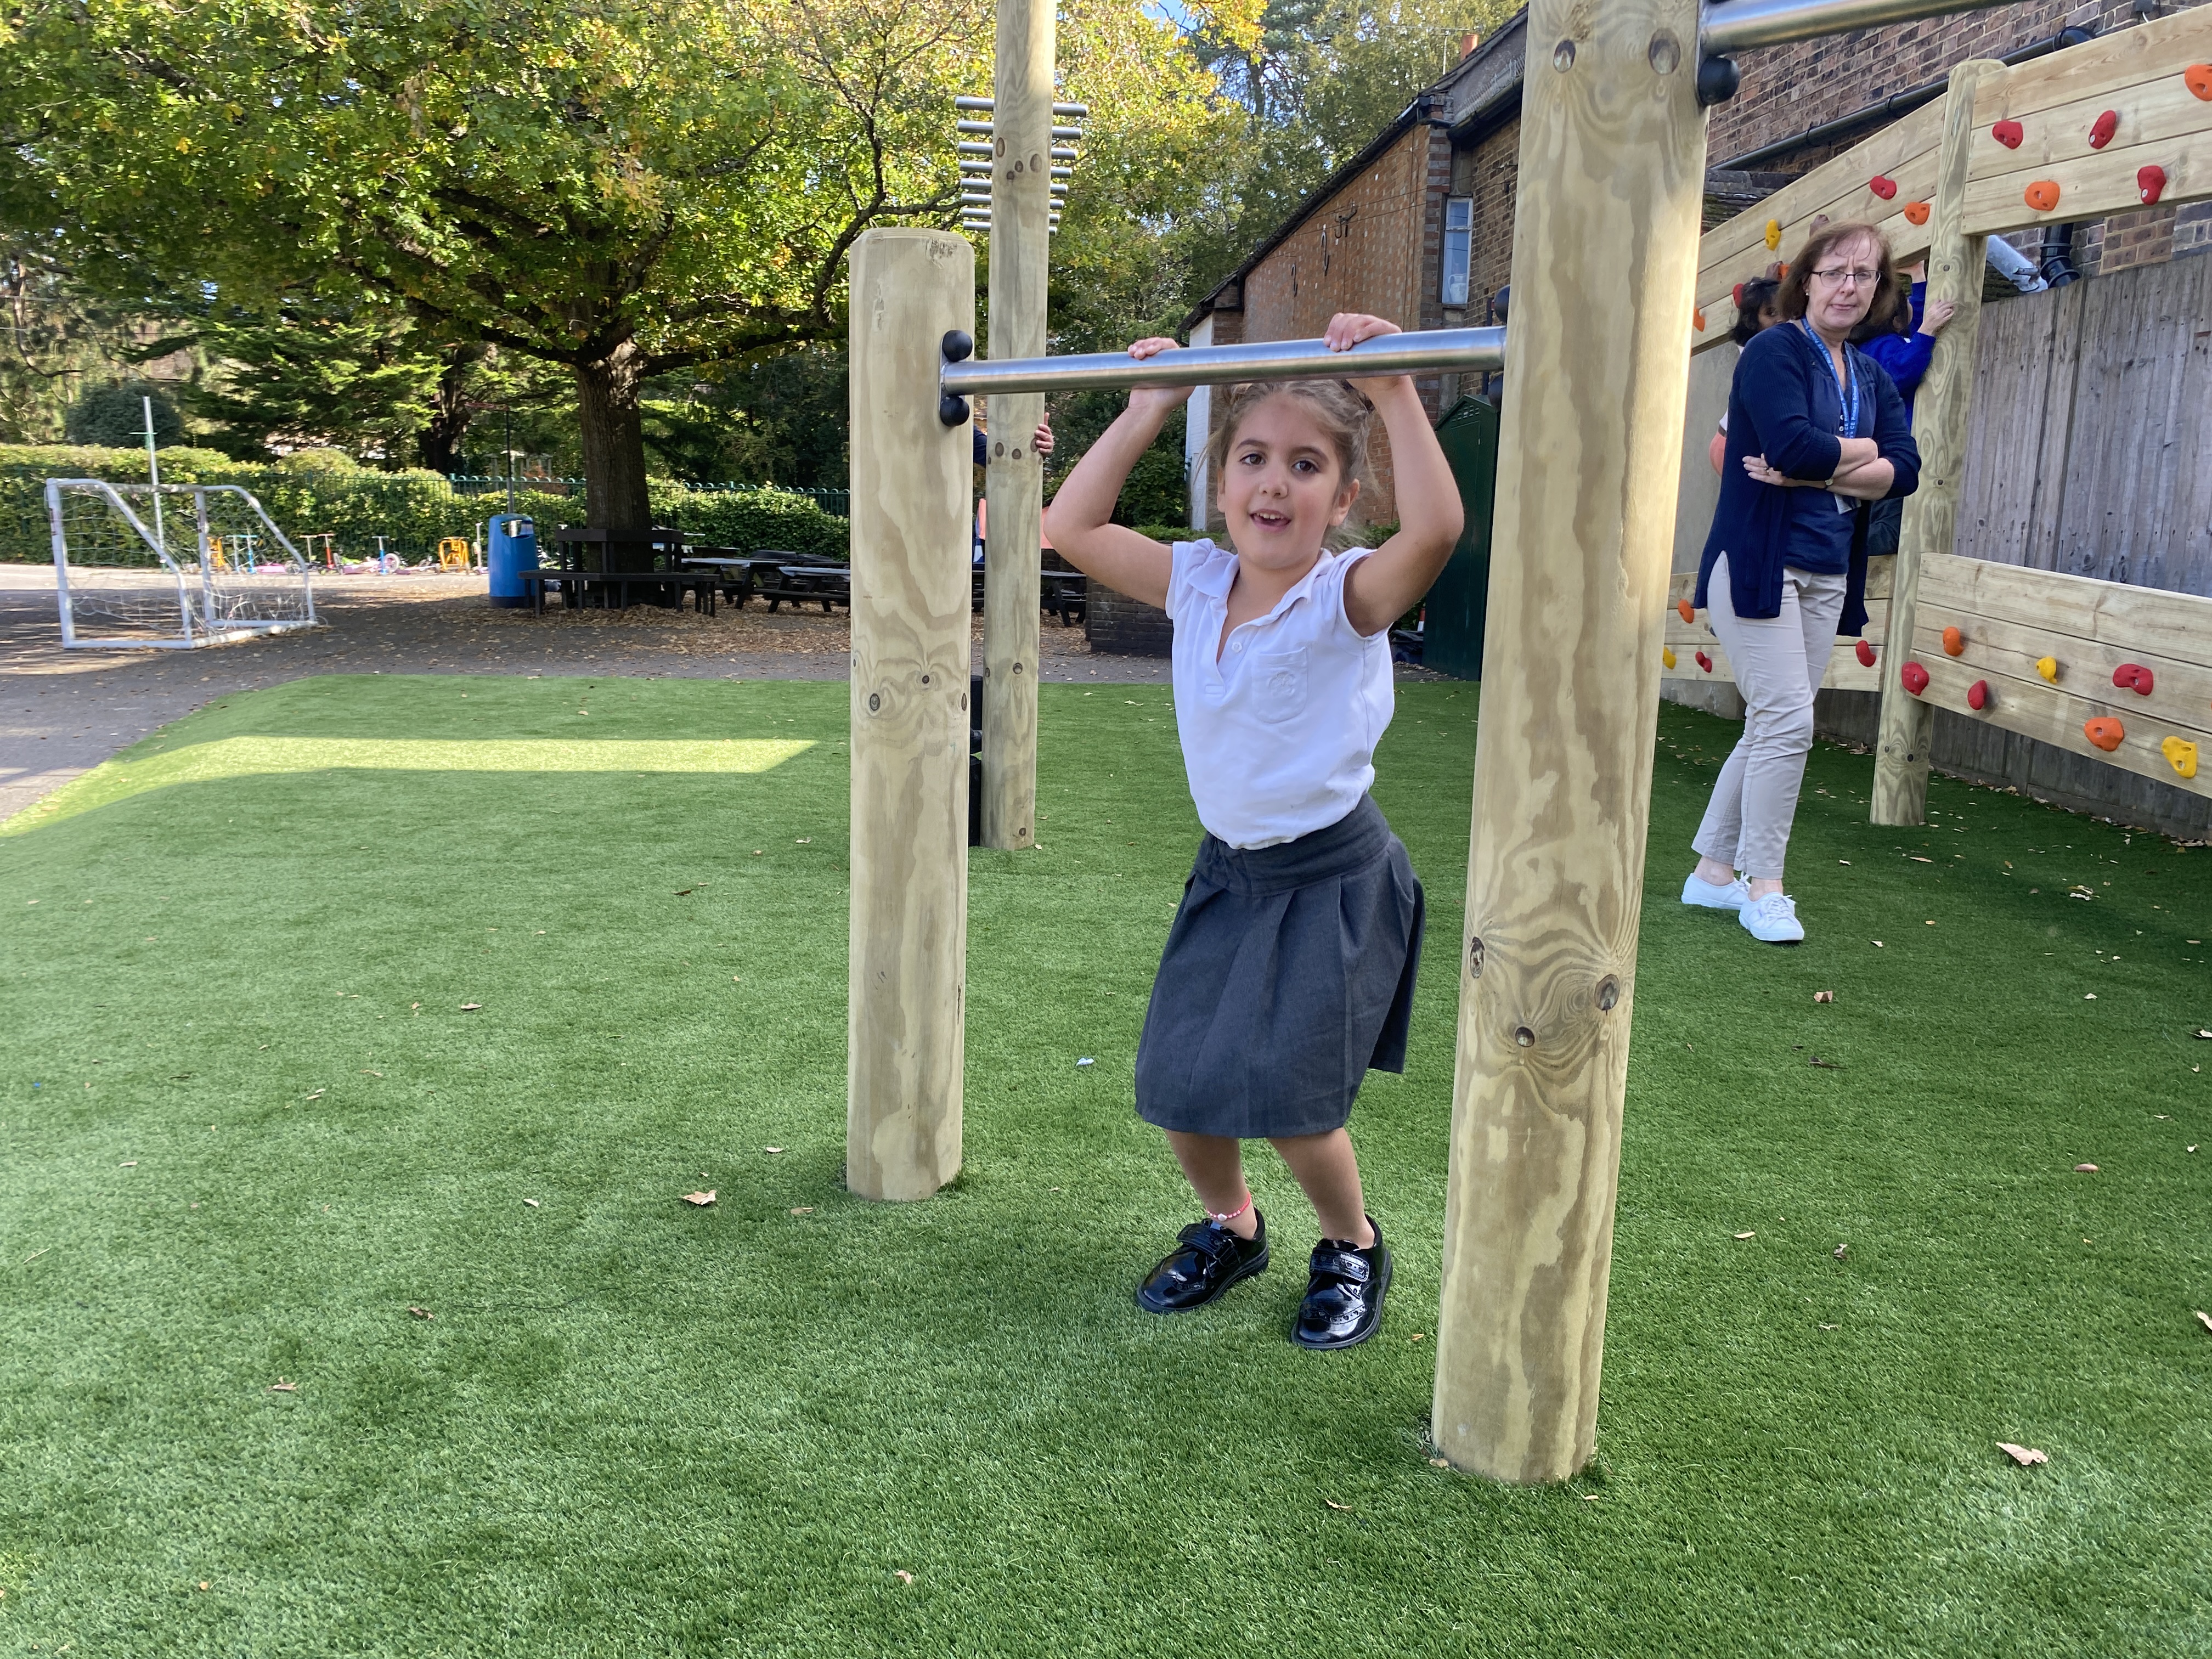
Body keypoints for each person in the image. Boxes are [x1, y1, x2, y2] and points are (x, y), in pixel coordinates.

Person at [1042, 313, 1462, 1348]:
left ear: (1342, 496)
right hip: (1229, 874)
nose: (1274, 483)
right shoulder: (1194, 579)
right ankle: (1235, 1225)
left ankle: (1351, 1241)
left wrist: (1398, 389)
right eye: (1252, 459)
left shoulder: (1344, 596)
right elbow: (1071, 527)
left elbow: (1439, 532)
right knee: (1181, 1086)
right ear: (1221, 481)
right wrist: (1149, 407)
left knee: (1293, 1102)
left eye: (1305, 465)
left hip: (1332, 877)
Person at [1686, 222, 1922, 945]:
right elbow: (1790, 443)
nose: (1850, 286)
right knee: (1789, 720)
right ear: (1808, 280)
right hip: (1757, 566)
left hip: (1825, 574)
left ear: (1878, 290)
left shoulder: (1874, 377)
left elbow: (1906, 470)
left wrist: (1826, 464)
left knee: (1773, 721)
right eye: (1837, 272)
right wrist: (1861, 455)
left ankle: (1711, 877)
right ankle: (1767, 886)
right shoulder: (1774, 351)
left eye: (1865, 275)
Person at [1854, 261, 1956, 557]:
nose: (1916, 306)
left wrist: (1918, 277)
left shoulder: (1882, 341)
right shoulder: (1880, 348)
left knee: (1885, 519)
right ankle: (1845, 548)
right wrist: (1926, 331)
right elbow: (1902, 372)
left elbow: (1922, 322)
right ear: (1897, 320)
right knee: (1890, 529)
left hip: (1888, 453)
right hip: (1892, 454)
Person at [1710, 274, 1785, 475]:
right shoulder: (1760, 354)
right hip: (1732, 445)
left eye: (1784, 312)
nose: (1780, 319)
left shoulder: (1762, 346)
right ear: (1753, 322)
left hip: (1728, 439)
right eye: (1771, 313)